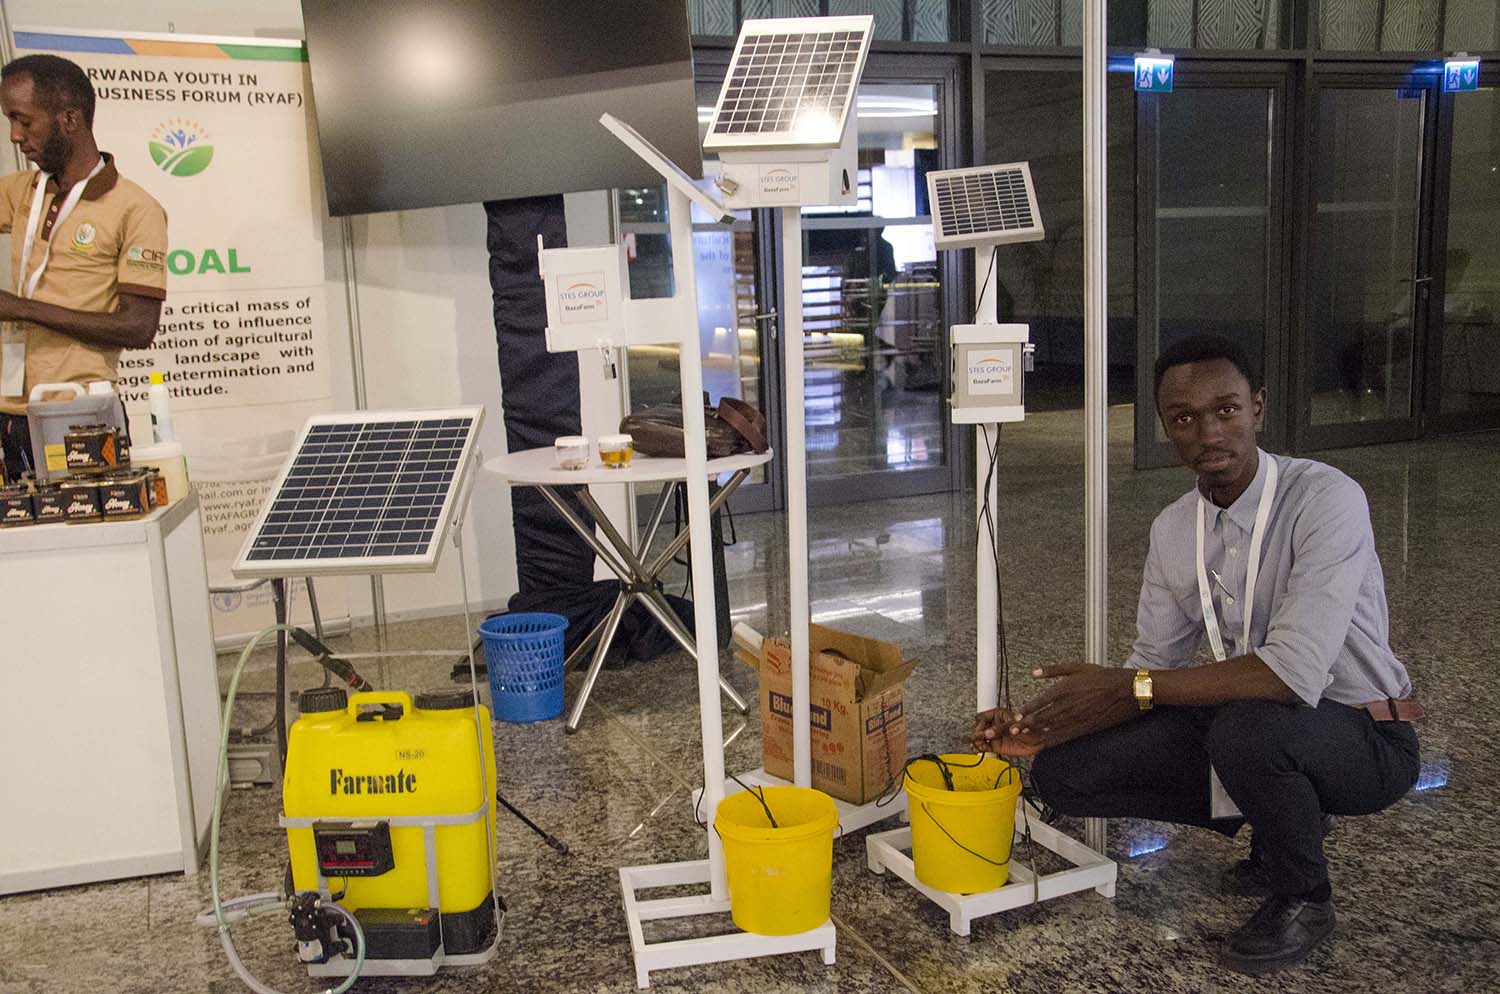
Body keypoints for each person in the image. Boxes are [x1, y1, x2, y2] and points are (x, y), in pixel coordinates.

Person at [974, 334, 1421, 975]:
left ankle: (1304, 894)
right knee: (1063, 773)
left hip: (1366, 731)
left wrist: (1134, 687)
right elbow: (1151, 661)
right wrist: (1039, 729)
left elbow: (1291, 673)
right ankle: (1279, 817)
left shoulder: (1325, 498)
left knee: (1249, 728)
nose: (1208, 431)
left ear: (1258, 407)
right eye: (1184, 418)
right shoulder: (1174, 528)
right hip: (1252, 724)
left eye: (1226, 409)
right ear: (1165, 429)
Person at [0, 54, 167, 481]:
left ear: (69, 119)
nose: (15, 136)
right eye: (9, 121)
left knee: (84, 545)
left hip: (78, 415)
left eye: (24, 121)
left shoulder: (135, 208)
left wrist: (21, 308)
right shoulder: (24, 191)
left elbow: (138, 327)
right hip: (9, 414)